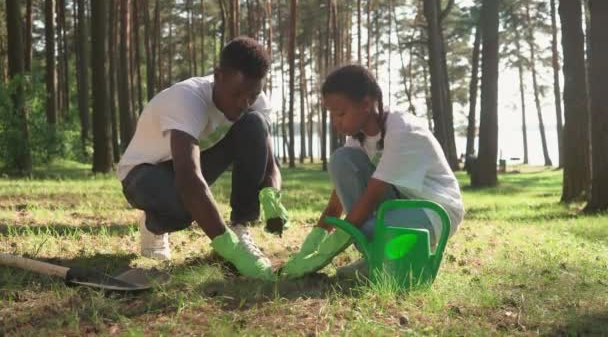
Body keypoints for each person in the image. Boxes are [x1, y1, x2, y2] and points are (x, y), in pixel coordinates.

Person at [117, 37, 288, 281]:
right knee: (185, 207)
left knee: (254, 123)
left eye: (252, 94)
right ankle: (153, 224)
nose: (244, 102)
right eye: (237, 93)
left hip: (190, 167)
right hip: (143, 174)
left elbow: (270, 164)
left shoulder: (254, 102)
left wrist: (272, 196)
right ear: (218, 75)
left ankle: (241, 228)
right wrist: (229, 249)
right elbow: (188, 179)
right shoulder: (187, 99)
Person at [280, 65, 464, 278]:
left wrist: (326, 252)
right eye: (332, 114)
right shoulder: (359, 137)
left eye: (341, 113)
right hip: (401, 203)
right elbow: (336, 201)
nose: (335, 122)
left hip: (435, 210)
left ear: (366, 104)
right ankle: (376, 256)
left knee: (366, 228)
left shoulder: (402, 130)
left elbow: (371, 197)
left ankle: (387, 261)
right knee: (342, 160)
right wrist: (312, 242)